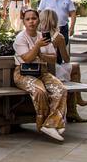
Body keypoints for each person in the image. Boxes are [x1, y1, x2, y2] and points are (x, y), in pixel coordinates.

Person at [13, 8, 68, 142]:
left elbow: (53, 58)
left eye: (34, 18)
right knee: (40, 91)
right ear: (24, 22)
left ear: (38, 20)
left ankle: (52, 124)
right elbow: (27, 58)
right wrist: (37, 46)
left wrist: (41, 55)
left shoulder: (44, 36)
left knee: (61, 89)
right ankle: (44, 124)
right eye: (28, 19)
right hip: (23, 73)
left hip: (42, 71)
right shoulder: (21, 38)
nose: (31, 22)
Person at [38, 9, 87, 124]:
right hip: (52, 70)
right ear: (55, 20)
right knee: (75, 68)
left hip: (40, 68)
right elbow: (66, 59)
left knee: (72, 70)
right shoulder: (58, 37)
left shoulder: (36, 34)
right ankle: (76, 103)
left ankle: (75, 106)